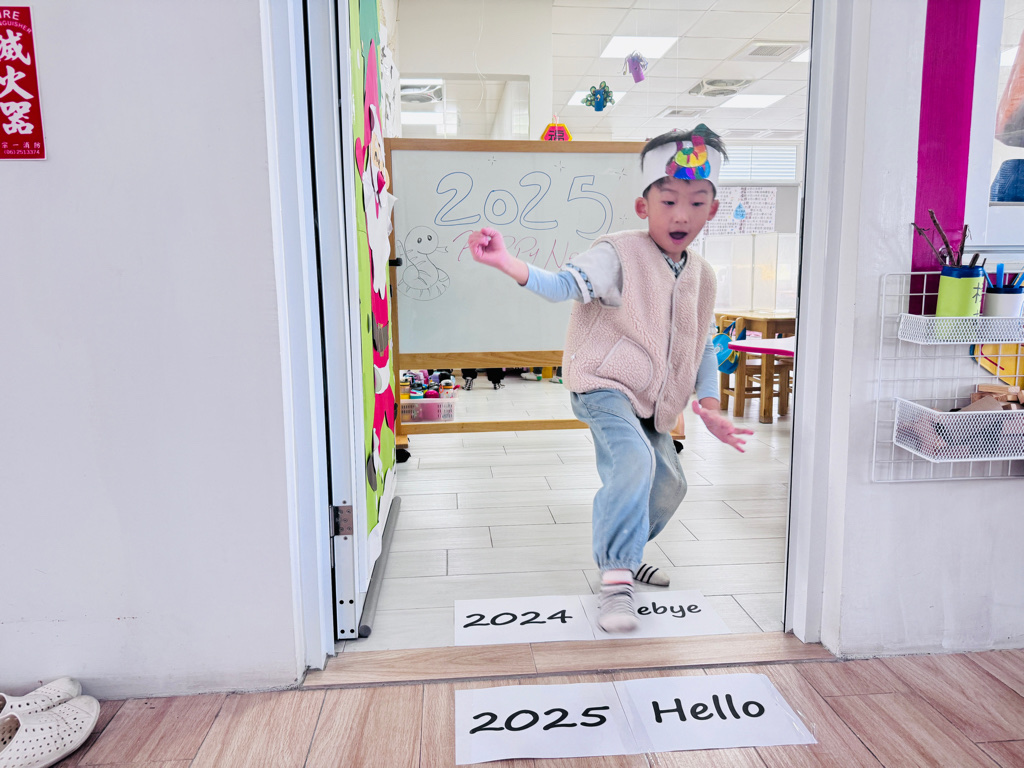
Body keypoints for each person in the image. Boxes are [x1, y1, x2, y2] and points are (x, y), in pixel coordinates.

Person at [468, 125, 753, 633]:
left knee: (671, 483)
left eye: (696, 202)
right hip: (603, 383)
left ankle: (628, 548)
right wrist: (507, 262)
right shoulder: (618, 253)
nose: (681, 215)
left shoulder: (703, 275)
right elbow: (562, 285)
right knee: (634, 461)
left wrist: (709, 407)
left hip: (653, 399)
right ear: (644, 206)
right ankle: (616, 580)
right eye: (668, 201)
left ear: (712, 210)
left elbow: (703, 344)